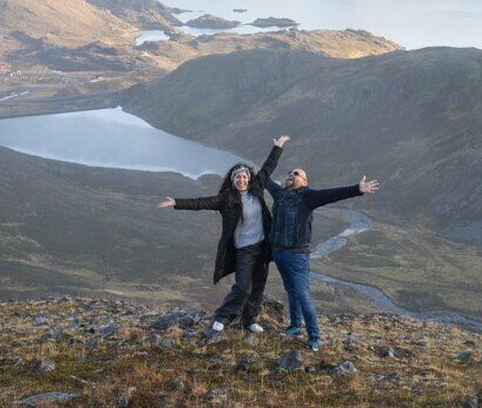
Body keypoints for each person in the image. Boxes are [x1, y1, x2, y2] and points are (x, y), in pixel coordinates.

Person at [158, 135, 290, 335]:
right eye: (238, 177)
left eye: (244, 176)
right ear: (233, 180)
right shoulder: (226, 198)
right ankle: (222, 316)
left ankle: (249, 320)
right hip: (244, 249)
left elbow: (268, 167)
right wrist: (176, 202)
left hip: (263, 247)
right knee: (243, 287)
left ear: (249, 178)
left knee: (258, 286)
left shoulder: (257, 188)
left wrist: (277, 147)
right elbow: (201, 203)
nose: (242, 179)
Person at [266, 166, 379, 351]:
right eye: (289, 173)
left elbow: (332, 194)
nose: (291, 175)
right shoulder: (280, 194)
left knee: (302, 294)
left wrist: (357, 190)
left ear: (305, 181)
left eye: (297, 174)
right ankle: (295, 325)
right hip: (278, 252)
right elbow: (265, 178)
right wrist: (275, 151)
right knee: (290, 290)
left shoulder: (308, 196)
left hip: (297, 255)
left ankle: (314, 336)